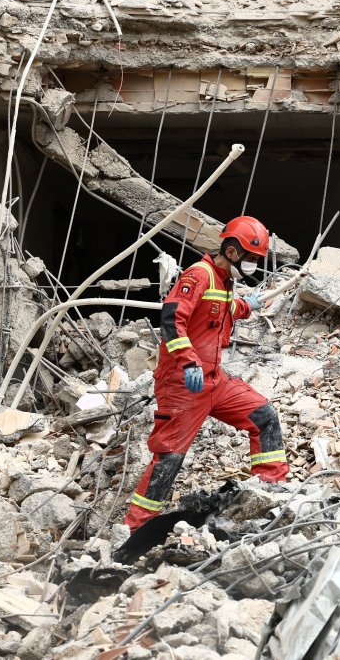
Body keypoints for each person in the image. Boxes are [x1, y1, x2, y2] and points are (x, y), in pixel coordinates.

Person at [123, 216, 289, 531]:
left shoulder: (224, 281)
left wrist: (246, 305)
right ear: (232, 250)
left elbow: (218, 313)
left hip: (214, 379)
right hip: (184, 383)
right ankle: (136, 528)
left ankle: (271, 490)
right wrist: (188, 361)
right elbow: (172, 320)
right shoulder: (199, 275)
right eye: (251, 258)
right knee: (169, 457)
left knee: (264, 416)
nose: (254, 264)